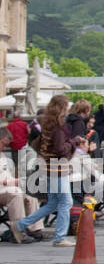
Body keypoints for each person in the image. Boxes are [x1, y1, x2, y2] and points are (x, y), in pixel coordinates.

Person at [18, 95, 76, 247]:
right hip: (58, 169)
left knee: (53, 203)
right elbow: (60, 149)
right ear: (62, 108)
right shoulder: (59, 127)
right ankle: (60, 237)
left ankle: (20, 224)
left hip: (49, 168)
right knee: (66, 202)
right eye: (66, 106)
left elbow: (36, 144)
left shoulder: (47, 125)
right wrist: (72, 143)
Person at [0, 125, 40, 243]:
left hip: (7, 187)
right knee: (16, 193)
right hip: (3, 187)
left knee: (30, 193)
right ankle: (18, 231)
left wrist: (17, 181)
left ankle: (35, 229)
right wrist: (11, 182)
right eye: (3, 144)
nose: (4, 148)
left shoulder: (2, 155)